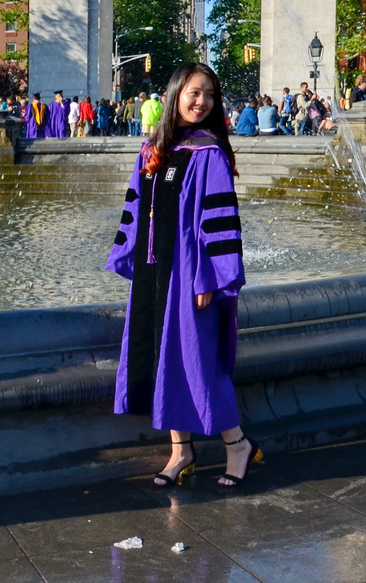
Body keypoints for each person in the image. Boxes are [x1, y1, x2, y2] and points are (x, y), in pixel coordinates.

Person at [105, 62, 261, 490]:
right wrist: (130, 256)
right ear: (175, 94)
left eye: (209, 95)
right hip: (155, 272)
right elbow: (136, 207)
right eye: (194, 93)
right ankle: (180, 451)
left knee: (200, 361)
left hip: (191, 275)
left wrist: (209, 278)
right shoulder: (155, 149)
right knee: (162, 360)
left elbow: (220, 222)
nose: (202, 102)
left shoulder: (209, 153)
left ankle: (237, 445)